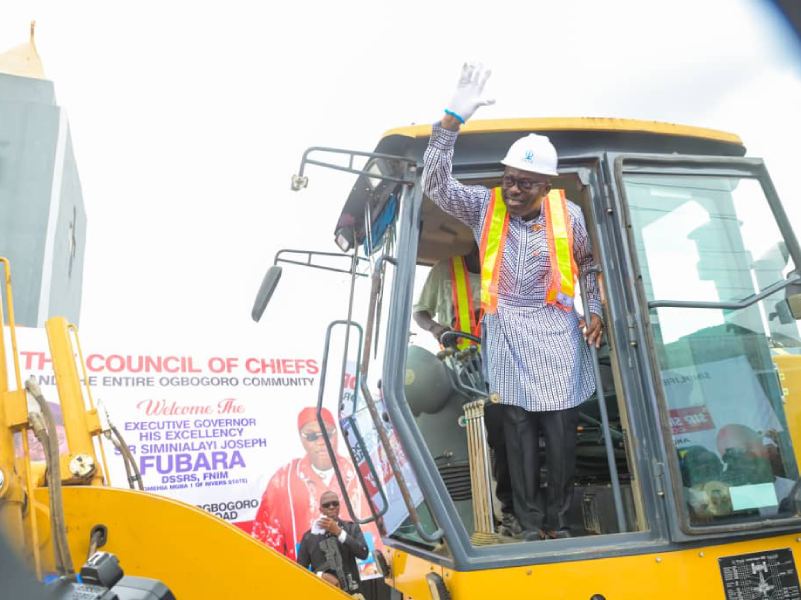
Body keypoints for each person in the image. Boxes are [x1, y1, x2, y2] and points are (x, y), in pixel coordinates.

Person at [423, 63, 603, 541]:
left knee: (561, 433)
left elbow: (586, 267)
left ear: (547, 186)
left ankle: (559, 523)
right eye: (509, 178)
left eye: (526, 182)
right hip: (505, 332)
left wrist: (596, 312)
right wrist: (449, 124)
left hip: (557, 332)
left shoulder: (572, 218)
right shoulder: (485, 206)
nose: (514, 189)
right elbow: (436, 186)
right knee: (517, 432)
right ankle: (525, 525)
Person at [413, 244, 520, 536]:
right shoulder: (444, 271)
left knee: (506, 437)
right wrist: (437, 329)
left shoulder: (508, 273)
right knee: (469, 441)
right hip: (459, 371)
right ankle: (479, 519)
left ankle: (508, 512)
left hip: (503, 366)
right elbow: (420, 313)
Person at [251, 407, 369, 560]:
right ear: (301, 438)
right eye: (312, 436)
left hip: (360, 575)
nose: (321, 442)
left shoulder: (360, 472)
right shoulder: (282, 480)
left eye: (327, 433)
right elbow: (266, 546)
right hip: (310, 578)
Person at [297, 491, 369, 595]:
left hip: (352, 594)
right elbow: (300, 570)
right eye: (326, 505)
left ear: (339, 506)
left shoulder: (351, 528)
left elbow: (364, 553)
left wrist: (339, 532)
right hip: (323, 593)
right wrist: (320, 575)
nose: (331, 507)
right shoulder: (309, 537)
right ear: (320, 509)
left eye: (335, 503)